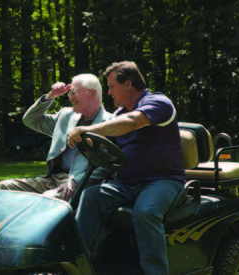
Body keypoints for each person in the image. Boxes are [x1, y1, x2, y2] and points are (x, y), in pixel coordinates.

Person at [67, 61, 186, 274]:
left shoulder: (158, 102)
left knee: (146, 212)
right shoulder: (119, 114)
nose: (109, 92)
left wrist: (88, 129)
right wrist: (88, 142)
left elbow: (133, 122)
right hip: (126, 184)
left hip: (163, 181)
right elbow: (107, 141)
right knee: (91, 196)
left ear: (128, 84)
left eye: (112, 86)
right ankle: (76, 265)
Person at [0, 73, 113, 201]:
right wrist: (51, 95)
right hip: (53, 179)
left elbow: (105, 167)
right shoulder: (66, 115)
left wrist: (75, 182)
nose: (70, 98)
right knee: (6, 187)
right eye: (69, 93)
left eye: (74, 93)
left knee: (47, 199)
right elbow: (30, 120)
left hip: (82, 184)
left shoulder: (110, 123)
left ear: (92, 93)